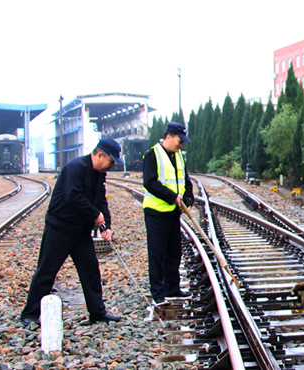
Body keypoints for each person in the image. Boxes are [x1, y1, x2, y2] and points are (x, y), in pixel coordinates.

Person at [21, 138, 124, 326]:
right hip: (59, 229)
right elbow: (73, 197)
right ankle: (30, 313)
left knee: (90, 270)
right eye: (111, 161)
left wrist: (106, 226)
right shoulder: (75, 168)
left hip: (81, 232)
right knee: (46, 271)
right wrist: (95, 215)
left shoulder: (99, 174)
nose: (111, 166)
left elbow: (100, 200)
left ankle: (97, 312)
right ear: (100, 155)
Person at [142, 122, 194, 306]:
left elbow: (186, 181)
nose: (181, 145)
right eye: (180, 141)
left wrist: (188, 198)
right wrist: (172, 197)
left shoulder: (179, 156)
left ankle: (173, 288)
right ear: (169, 136)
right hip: (156, 212)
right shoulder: (152, 155)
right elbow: (150, 182)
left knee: (174, 252)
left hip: (173, 213)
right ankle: (158, 293)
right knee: (157, 253)